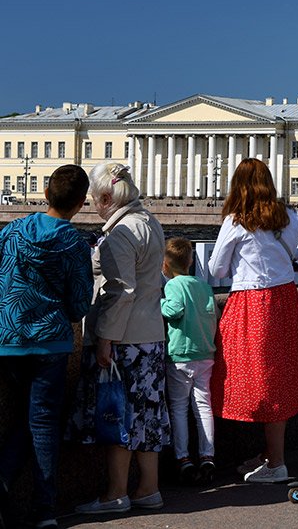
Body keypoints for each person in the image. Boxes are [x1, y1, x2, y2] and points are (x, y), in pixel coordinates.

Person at [208, 158, 298, 484]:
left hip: (252, 305)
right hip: (284, 302)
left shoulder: (237, 221)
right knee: (277, 380)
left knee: (252, 381)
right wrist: (296, 256)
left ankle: (276, 463)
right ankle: (269, 455)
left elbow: (216, 270)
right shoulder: (290, 216)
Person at [72, 163, 168, 515]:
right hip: (151, 336)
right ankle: (148, 488)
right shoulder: (150, 223)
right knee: (148, 416)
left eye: (96, 199)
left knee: (119, 417)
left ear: (108, 197)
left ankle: (115, 494)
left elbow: (120, 291)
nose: (94, 206)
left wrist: (105, 338)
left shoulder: (121, 234)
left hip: (125, 340)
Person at [0, 165, 92, 529]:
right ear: (81, 203)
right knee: (42, 424)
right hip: (50, 343)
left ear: (45, 194)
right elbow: (80, 303)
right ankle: (44, 511)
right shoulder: (74, 243)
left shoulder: (11, 231)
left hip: (9, 339)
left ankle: (5, 482)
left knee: (26, 420)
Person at [159, 237, 217, 483]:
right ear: (191, 261)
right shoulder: (204, 285)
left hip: (180, 356)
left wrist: (157, 301)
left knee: (179, 408)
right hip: (205, 354)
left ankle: (183, 458)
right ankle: (208, 455)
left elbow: (174, 311)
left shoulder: (173, 285)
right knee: (204, 406)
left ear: (164, 265)